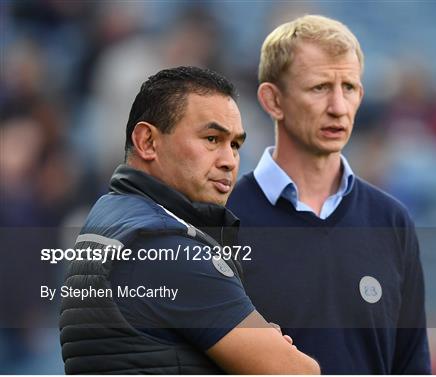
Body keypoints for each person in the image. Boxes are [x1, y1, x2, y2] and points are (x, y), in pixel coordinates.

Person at [59, 66, 320, 374]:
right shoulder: (164, 247)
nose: (229, 161)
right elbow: (296, 372)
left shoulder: (111, 216)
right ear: (147, 142)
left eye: (235, 145)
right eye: (212, 138)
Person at [227, 15, 431, 374]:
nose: (338, 106)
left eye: (349, 88)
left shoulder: (392, 221)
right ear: (273, 100)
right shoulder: (219, 220)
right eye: (319, 87)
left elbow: (411, 362)